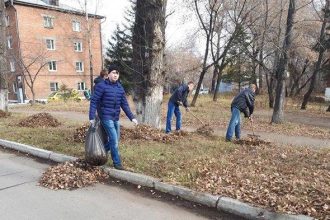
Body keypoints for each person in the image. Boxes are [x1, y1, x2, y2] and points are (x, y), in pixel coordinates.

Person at [89, 64, 138, 170]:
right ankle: (117, 163)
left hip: (115, 117)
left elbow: (124, 104)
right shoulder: (101, 86)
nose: (116, 75)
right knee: (114, 139)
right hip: (105, 116)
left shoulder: (120, 88)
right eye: (113, 73)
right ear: (109, 74)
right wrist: (91, 116)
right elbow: (94, 101)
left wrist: (132, 117)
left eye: (117, 73)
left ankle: (98, 152)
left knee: (116, 139)